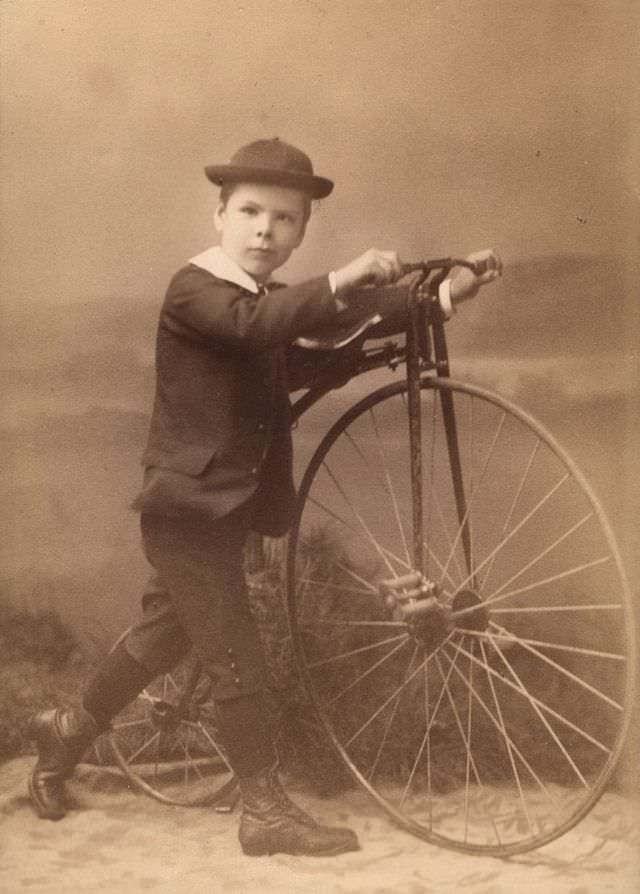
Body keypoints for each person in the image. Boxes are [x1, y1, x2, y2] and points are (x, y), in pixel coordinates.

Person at [28, 138, 502, 857]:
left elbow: (331, 341)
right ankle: (265, 810)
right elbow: (257, 328)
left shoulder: (274, 304)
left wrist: (435, 297)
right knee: (237, 653)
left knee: (167, 634)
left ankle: (64, 733)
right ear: (219, 213)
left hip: (227, 512)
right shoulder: (195, 291)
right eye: (249, 212)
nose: (264, 231)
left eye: (285, 220)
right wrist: (339, 280)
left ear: (302, 231)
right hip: (186, 514)